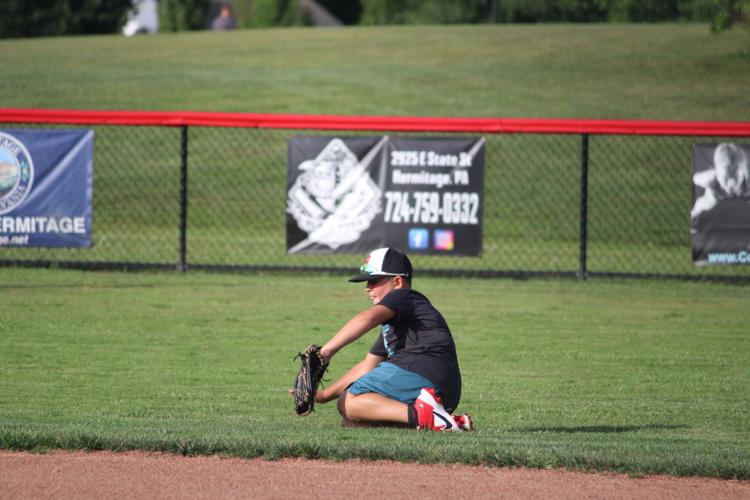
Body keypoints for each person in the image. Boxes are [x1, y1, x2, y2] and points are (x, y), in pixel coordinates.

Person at [315, 247, 472, 431]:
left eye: (374, 281)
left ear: (397, 282)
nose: (367, 288)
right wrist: (323, 396)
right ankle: (441, 420)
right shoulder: (400, 322)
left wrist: (325, 352)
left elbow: (367, 318)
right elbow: (367, 366)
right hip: (443, 387)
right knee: (356, 421)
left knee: (349, 400)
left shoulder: (404, 296)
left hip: (424, 372)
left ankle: (425, 415)